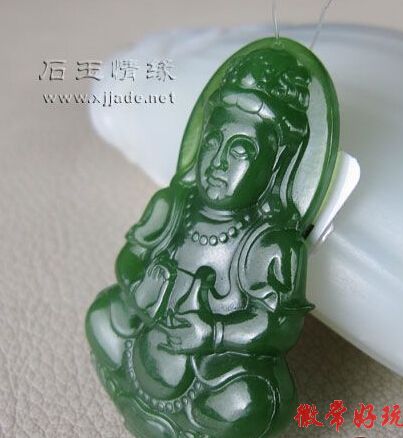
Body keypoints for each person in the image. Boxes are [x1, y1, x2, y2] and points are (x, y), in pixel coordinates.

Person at [86, 47, 315, 438]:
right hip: (146, 339)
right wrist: (139, 287)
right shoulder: (172, 205)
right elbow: (130, 259)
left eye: (240, 150)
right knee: (103, 314)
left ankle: (161, 417)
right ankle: (150, 410)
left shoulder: (272, 244)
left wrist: (212, 333)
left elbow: (277, 327)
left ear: (275, 165)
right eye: (212, 142)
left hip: (213, 373)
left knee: (257, 399)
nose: (219, 161)